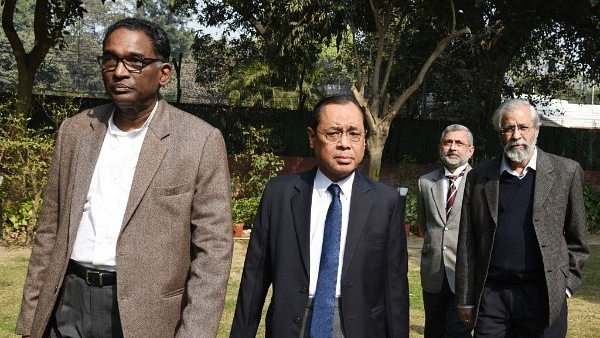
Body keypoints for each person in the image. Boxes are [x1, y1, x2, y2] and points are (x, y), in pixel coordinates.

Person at [15, 18, 233, 338]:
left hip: (146, 315)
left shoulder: (199, 141)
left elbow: (213, 254)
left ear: (164, 73)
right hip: (68, 300)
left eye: (134, 61)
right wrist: (32, 319)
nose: (119, 72)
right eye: (110, 59)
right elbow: (50, 230)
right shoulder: (75, 132)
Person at [229, 95, 409, 338]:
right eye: (333, 133)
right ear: (312, 137)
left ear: (364, 140)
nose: (345, 144)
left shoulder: (385, 202)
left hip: (359, 326)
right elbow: (254, 278)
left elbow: (395, 287)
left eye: (354, 133)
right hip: (292, 324)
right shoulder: (279, 195)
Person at [455, 99, 590, 338]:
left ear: (536, 130)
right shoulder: (479, 177)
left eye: (523, 127)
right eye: (508, 128)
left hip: (544, 295)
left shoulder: (565, 173)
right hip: (492, 296)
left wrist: (565, 287)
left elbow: (578, 240)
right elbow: (467, 243)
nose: (516, 135)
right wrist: (466, 298)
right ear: (500, 134)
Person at [417, 124, 474, 338]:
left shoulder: (480, 181)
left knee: (457, 333)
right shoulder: (425, 182)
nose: (453, 147)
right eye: (448, 142)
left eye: (459, 143)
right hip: (433, 273)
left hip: (464, 274)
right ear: (440, 147)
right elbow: (425, 224)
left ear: (470, 150)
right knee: (432, 331)